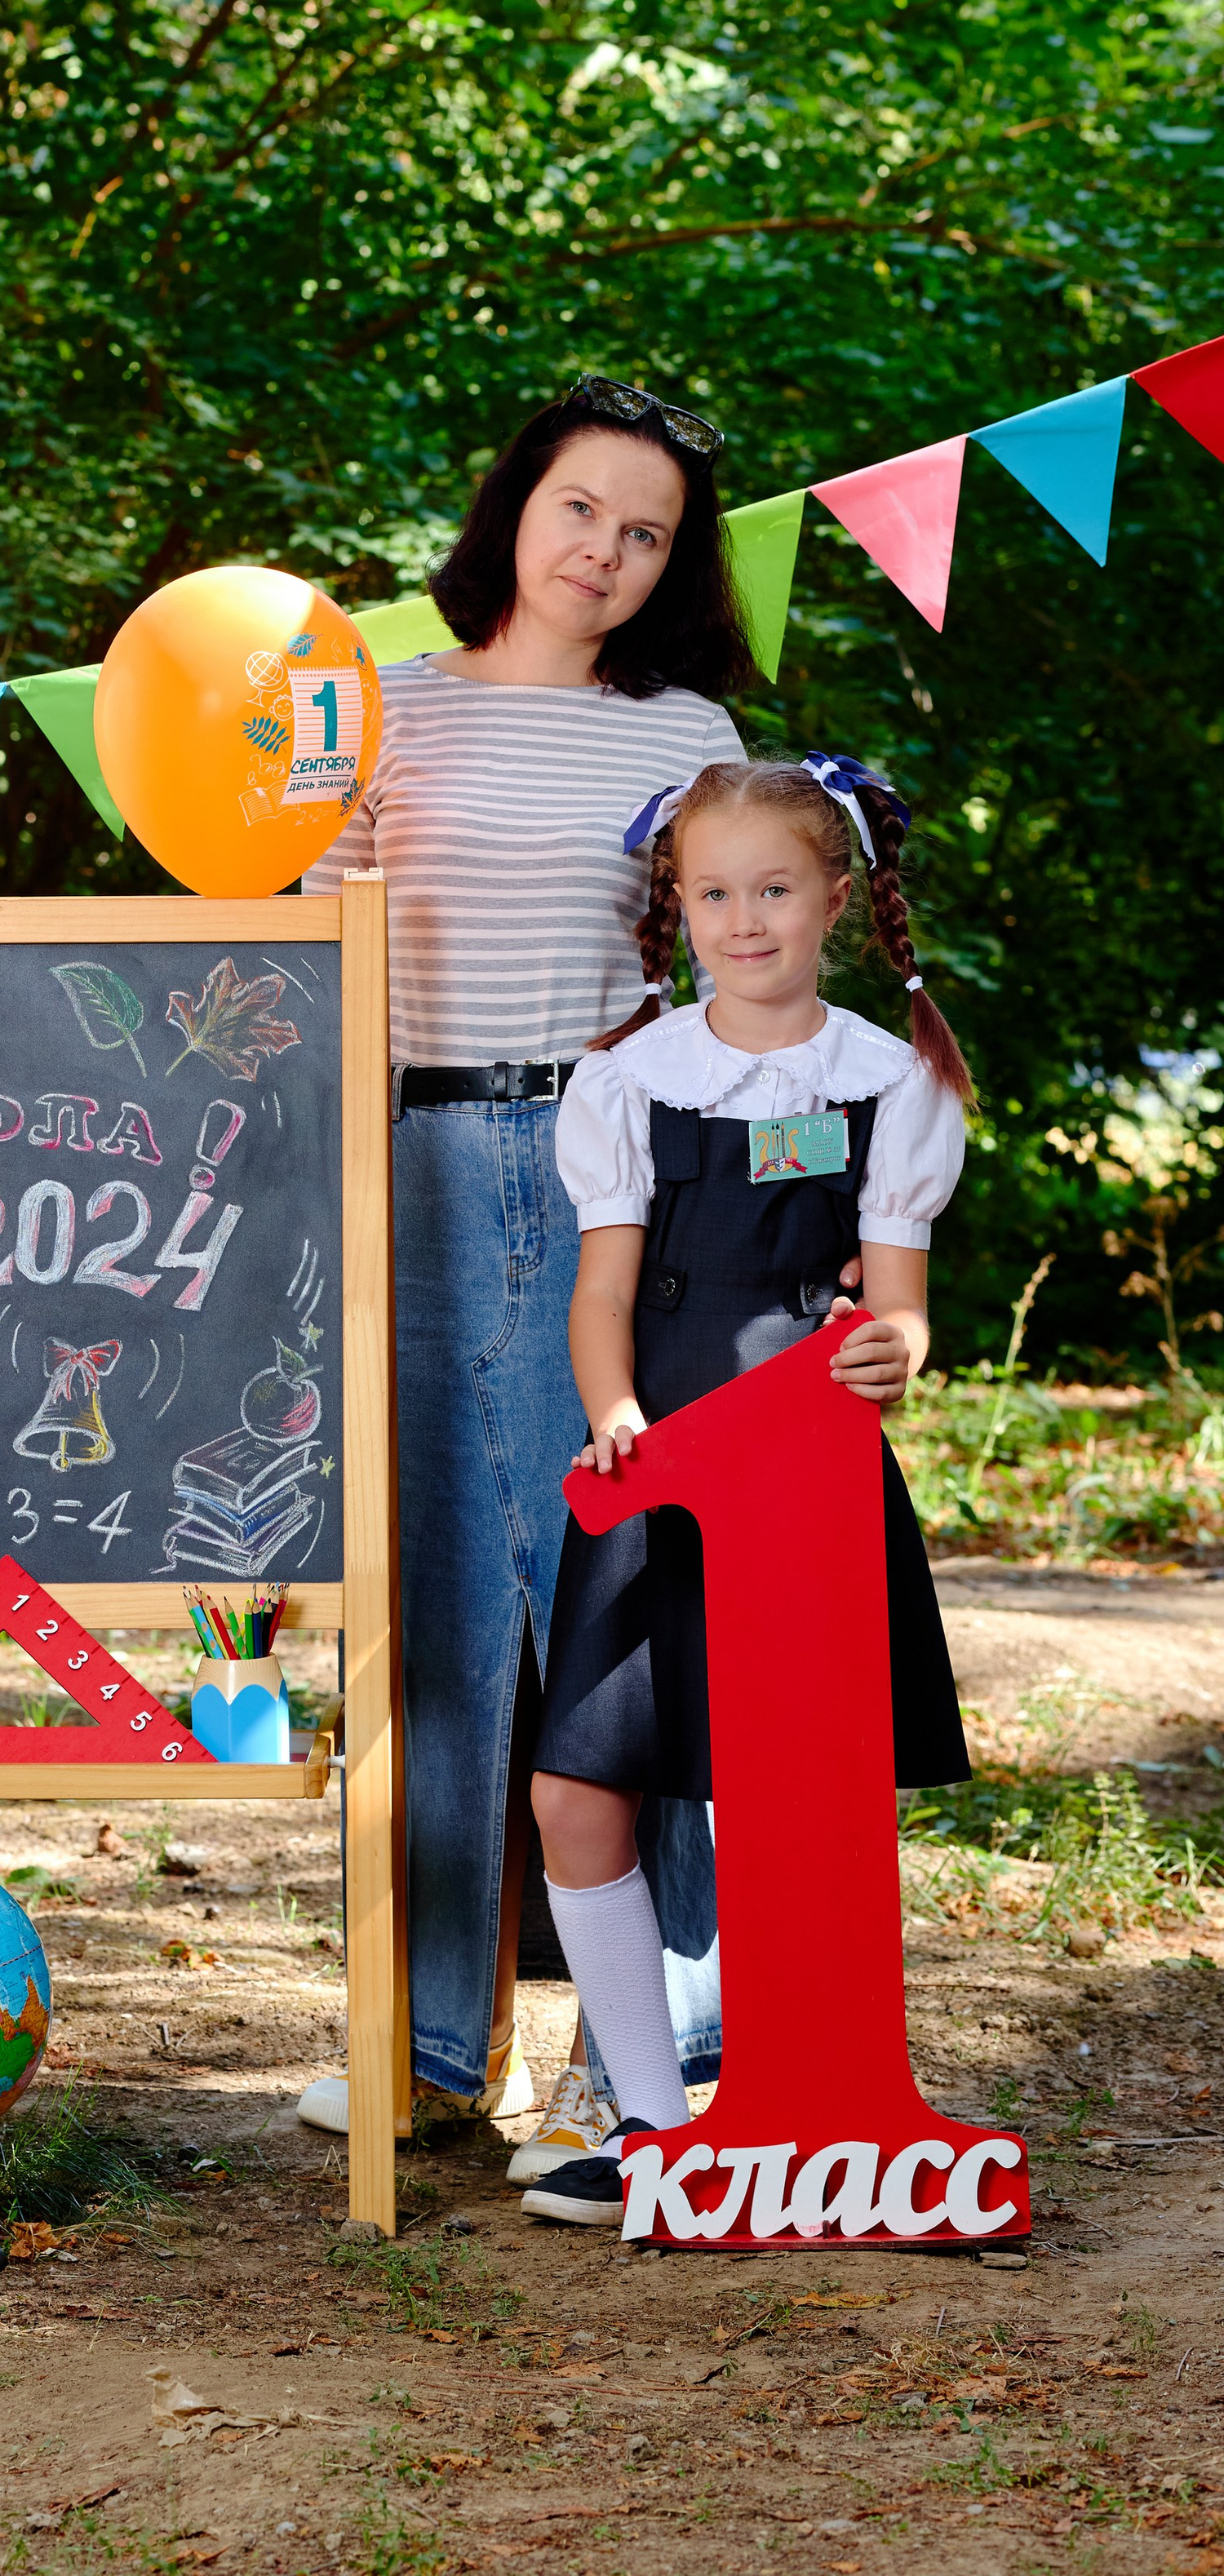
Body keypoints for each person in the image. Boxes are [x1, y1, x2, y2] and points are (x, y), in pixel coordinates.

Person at [299, 375, 755, 2150]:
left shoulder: (682, 734)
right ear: (513, 509)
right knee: (426, 1616)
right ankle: (421, 2052)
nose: (607, 554)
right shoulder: (374, 713)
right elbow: (303, 950)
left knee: (619, 1609)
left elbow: (724, 977)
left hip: (606, 1178)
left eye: (645, 534)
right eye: (582, 509)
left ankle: (646, 2067)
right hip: (398, 1160)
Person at [520, 752, 973, 2227]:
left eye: (773, 888)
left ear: (834, 899)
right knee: (575, 1791)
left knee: (805, 1803)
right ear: (680, 909)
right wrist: (615, 1409)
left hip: (813, 1489)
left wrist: (889, 1352)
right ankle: (655, 2126)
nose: (744, 918)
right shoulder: (632, 1081)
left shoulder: (888, 1079)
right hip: (660, 1477)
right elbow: (603, 1297)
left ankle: (819, 2108)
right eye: (714, 893)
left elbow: (900, 1309)